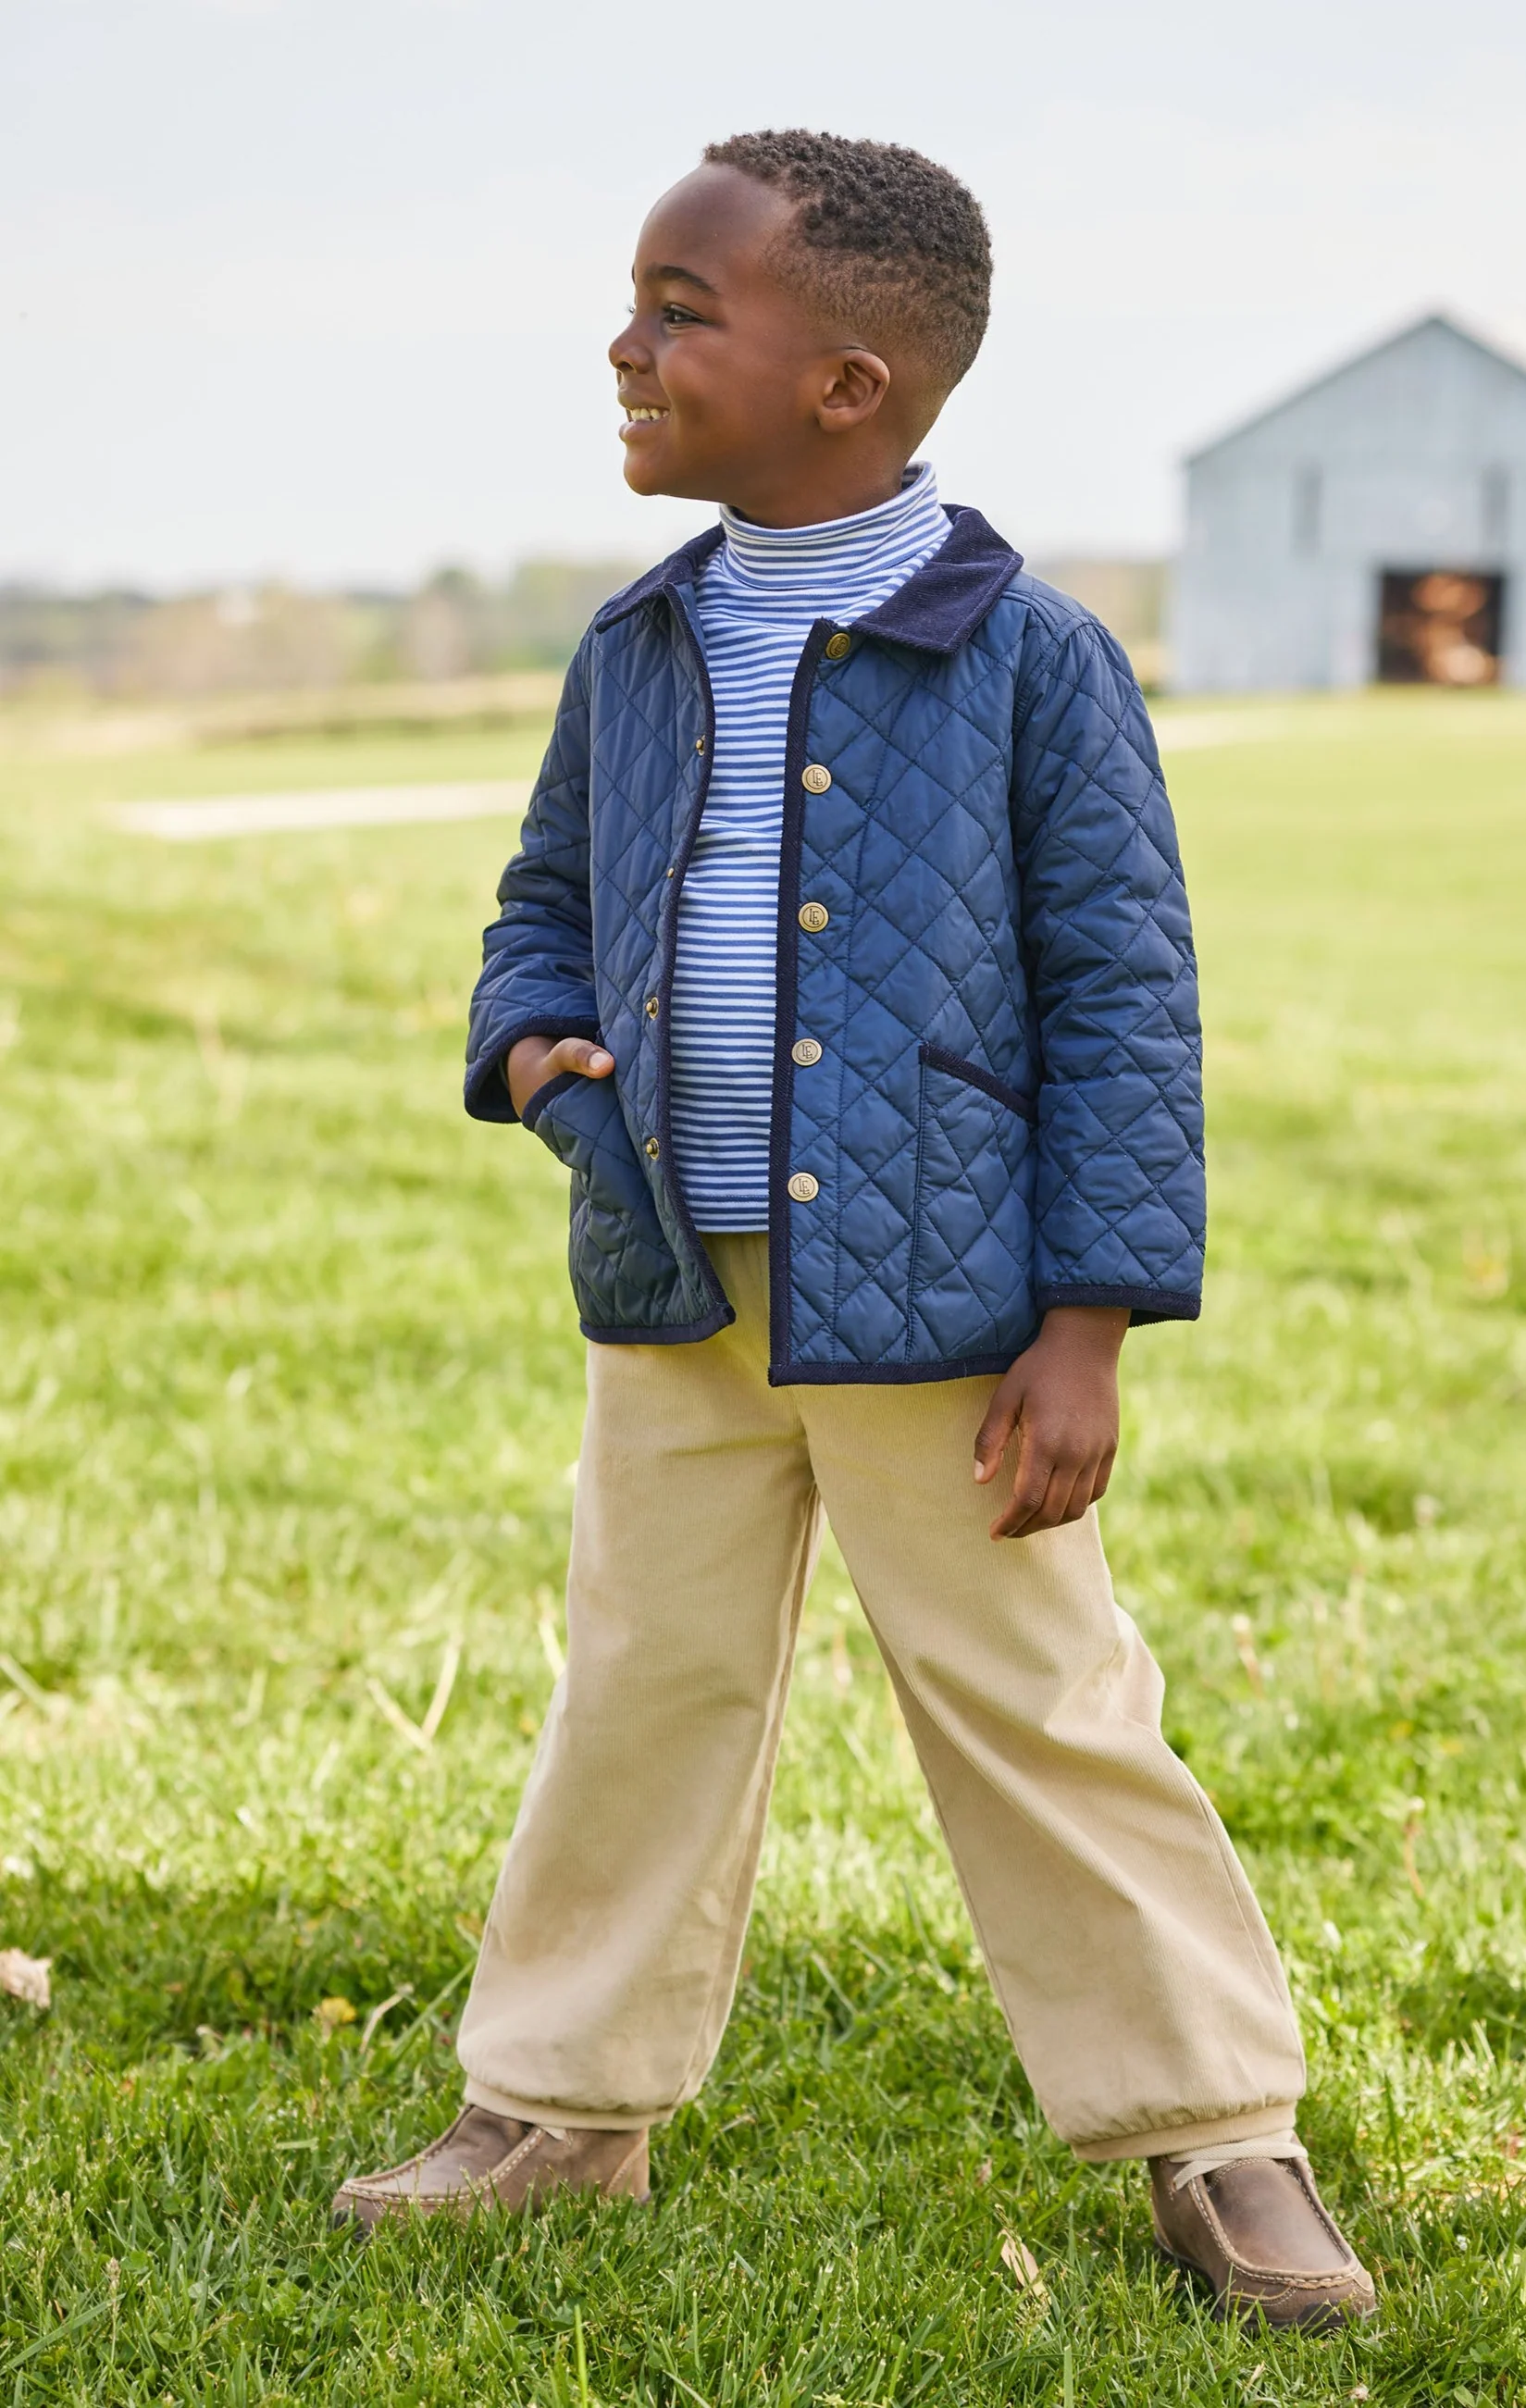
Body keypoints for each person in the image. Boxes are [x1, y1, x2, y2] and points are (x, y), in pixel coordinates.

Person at [332, 129, 1375, 2330]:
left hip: (942, 1308)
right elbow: (540, 909)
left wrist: (1088, 1319)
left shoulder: (1030, 657)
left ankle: (1215, 2133)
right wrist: (534, 1053)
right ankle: (559, 2102)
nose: (627, 346)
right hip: (670, 1281)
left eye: (680, 310)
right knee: (643, 1679)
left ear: (853, 382)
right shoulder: (635, 638)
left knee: (1042, 1699)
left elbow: (1124, 995)